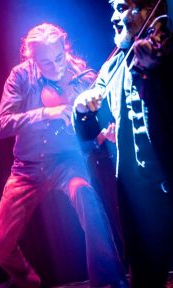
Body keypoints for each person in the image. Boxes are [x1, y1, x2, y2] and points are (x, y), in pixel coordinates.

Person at [0, 22, 128, 288]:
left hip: (68, 162)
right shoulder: (20, 76)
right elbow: (0, 126)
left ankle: (109, 281)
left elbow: (96, 128)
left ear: (65, 48)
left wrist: (104, 134)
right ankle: (28, 282)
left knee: (88, 199)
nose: (56, 67)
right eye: (46, 62)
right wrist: (44, 113)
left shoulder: (84, 76)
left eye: (59, 58)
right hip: (27, 168)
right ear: (32, 59)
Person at [73, 0, 173, 287]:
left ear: (146, 11)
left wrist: (157, 72)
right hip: (140, 193)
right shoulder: (116, 62)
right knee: (144, 277)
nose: (114, 18)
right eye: (112, 8)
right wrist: (80, 109)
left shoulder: (164, 52)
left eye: (121, 7)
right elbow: (90, 128)